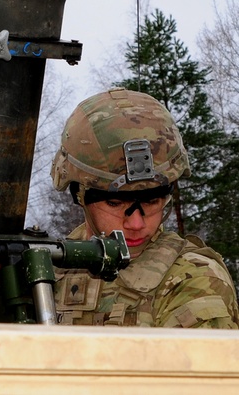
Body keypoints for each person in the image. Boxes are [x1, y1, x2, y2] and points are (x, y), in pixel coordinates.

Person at [51, 87, 239, 328]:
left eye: (151, 201)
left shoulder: (192, 277)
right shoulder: (52, 265)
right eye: (115, 203)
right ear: (79, 194)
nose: (137, 224)